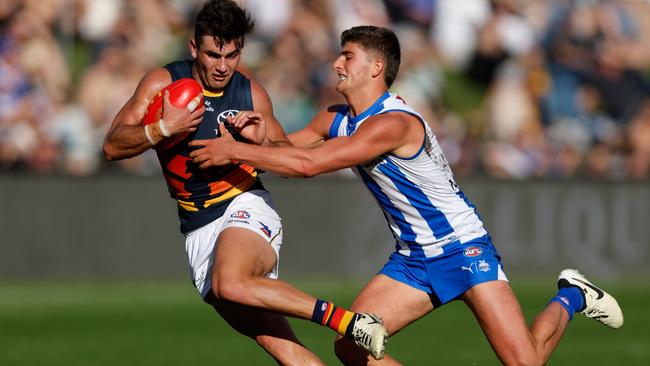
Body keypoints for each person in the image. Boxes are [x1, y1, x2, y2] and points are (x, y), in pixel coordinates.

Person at [188, 25, 625, 365]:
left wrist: (233, 149)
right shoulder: (334, 119)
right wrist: (258, 139)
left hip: (463, 248)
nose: (337, 64)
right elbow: (287, 153)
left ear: (375, 68)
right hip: (413, 259)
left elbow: (309, 166)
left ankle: (573, 294)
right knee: (349, 346)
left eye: (348, 56)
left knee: (525, 360)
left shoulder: (394, 123)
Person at [103, 2, 388, 364]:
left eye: (232, 55)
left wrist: (260, 144)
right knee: (288, 352)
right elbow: (112, 145)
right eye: (212, 55)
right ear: (194, 49)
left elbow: (287, 160)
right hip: (198, 232)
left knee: (232, 281)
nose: (222, 66)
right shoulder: (164, 84)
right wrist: (164, 128)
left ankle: (348, 321)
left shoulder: (251, 94)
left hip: (245, 206)